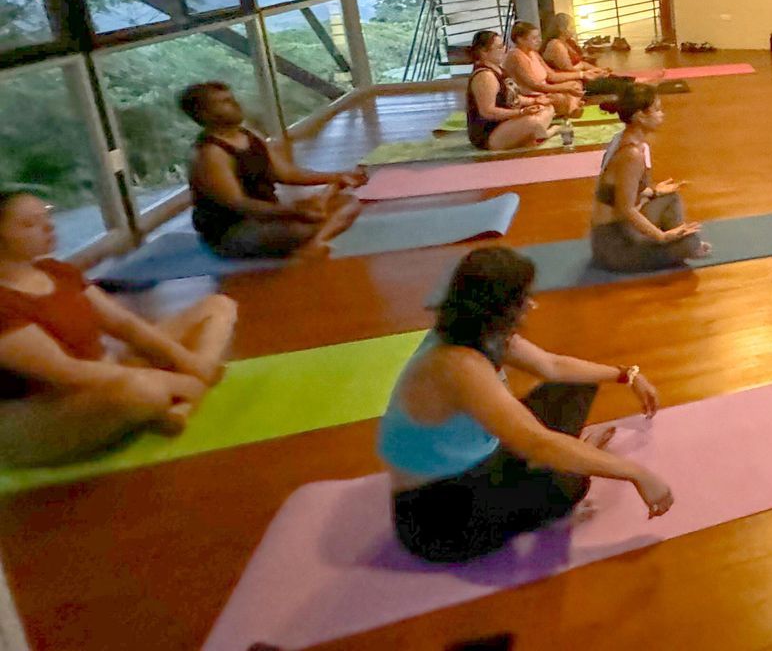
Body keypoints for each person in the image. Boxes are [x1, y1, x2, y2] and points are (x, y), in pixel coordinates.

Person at [378, 246, 676, 562]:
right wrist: (637, 473)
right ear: (498, 308)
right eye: (522, 299)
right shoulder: (458, 365)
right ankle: (570, 466)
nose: (530, 305)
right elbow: (537, 444)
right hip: (439, 521)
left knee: (575, 384)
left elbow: (553, 366)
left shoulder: (479, 331)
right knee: (568, 483)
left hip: (474, 463)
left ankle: (574, 456)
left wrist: (627, 375)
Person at [0, 190, 236, 466]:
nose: (49, 227)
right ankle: (172, 397)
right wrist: (176, 379)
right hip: (43, 413)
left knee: (217, 306)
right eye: (30, 224)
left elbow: (124, 325)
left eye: (47, 217)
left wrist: (189, 363)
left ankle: (180, 405)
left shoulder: (55, 271)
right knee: (143, 391)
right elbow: (66, 373)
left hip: (108, 371)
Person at [181, 81, 365, 261]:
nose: (235, 104)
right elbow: (239, 204)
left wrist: (338, 175)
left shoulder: (248, 135)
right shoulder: (210, 154)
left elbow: (286, 174)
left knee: (348, 203)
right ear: (204, 113)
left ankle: (315, 243)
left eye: (232, 98)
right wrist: (294, 212)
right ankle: (311, 242)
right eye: (224, 102)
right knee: (302, 228)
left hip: (269, 216)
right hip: (232, 231)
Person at [589, 84, 709, 272]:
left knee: (670, 196)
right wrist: (662, 237)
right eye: (657, 109)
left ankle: (680, 239)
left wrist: (653, 191)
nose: (662, 114)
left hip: (611, 234)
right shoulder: (631, 154)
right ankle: (680, 243)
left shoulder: (623, 139)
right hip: (614, 247)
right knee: (689, 245)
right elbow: (625, 209)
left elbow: (617, 192)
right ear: (640, 116)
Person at [467, 29, 554, 152]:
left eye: (503, 46)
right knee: (532, 122)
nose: (504, 50)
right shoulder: (485, 76)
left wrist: (535, 101)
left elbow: (513, 98)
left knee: (547, 107)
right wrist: (521, 113)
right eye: (499, 48)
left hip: (508, 122)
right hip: (490, 133)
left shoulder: (499, 70)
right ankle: (538, 133)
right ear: (483, 52)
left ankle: (534, 134)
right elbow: (487, 112)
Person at [505, 22, 584, 118]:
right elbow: (535, 85)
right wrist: (565, 87)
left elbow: (552, 76)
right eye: (534, 38)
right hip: (530, 96)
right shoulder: (515, 56)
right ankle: (571, 107)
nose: (539, 40)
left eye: (538, 37)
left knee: (576, 83)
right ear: (520, 40)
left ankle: (571, 107)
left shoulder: (533, 53)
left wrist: (582, 74)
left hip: (545, 90)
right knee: (560, 97)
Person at [540, 14, 627, 98]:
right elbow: (569, 69)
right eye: (571, 27)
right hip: (572, 80)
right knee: (617, 84)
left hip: (581, 75)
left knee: (619, 79)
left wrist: (596, 70)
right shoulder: (556, 45)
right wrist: (590, 73)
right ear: (562, 29)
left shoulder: (568, 42)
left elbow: (581, 62)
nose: (574, 30)